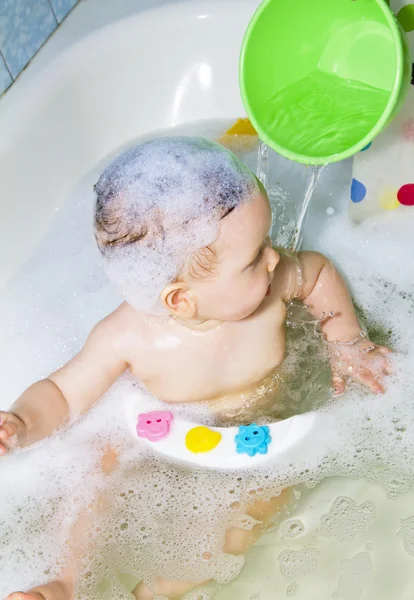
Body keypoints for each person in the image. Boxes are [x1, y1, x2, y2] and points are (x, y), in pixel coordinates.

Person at [1, 137, 391, 600]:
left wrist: (347, 340)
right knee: (96, 462)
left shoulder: (271, 287)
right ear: (181, 300)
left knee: (267, 499)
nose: (274, 258)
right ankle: (67, 577)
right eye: (253, 259)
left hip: (264, 425)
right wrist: (22, 423)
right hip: (163, 440)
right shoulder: (128, 336)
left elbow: (318, 273)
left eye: (266, 242)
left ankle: (165, 587)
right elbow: (64, 395)